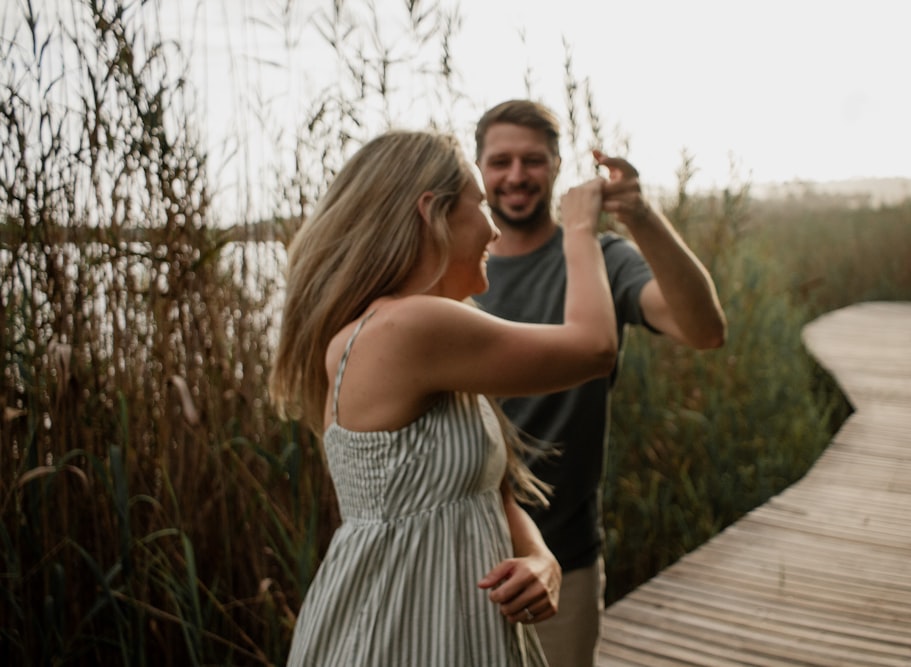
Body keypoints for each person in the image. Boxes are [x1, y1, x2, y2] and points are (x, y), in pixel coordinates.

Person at [268, 129, 621, 666]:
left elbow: (489, 491)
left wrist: (540, 558)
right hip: (395, 634)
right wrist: (579, 230)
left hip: (459, 629)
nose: (494, 229)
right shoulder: (405, 328)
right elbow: (595, 349)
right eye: (481, 204)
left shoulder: (420, 335)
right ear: (432, 211)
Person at [473, 100, 727, 667]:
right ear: (479, 169)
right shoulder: (456, 267)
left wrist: (641, 215)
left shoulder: (599, 257)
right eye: (501, 161)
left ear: (559, 166)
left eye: (533, 160)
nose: (516, 175)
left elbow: (705, 330)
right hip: (461, 555)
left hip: (567, 557)